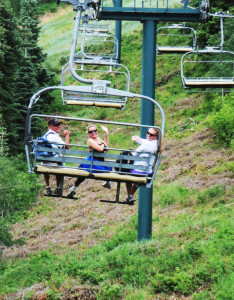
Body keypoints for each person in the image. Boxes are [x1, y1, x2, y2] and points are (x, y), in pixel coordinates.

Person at [67, 124, 112, 198]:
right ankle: (74, 187)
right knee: (85, 173)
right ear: (88, 134)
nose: (93, 132)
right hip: (92, 161)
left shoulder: (99, 139)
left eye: (95, 130)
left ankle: (74, 187)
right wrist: (103, 144)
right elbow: (100, 149)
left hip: (99, 161)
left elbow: (107, 148)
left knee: (107, 171)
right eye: (91, 131)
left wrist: (106, 134)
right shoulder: (90, 140)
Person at [124, 127, 161, 204]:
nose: (148, 135)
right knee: (137, 178)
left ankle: (130, 195)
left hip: (138, 171)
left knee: (126, 174)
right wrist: (139, 139)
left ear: (155, 137)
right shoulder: (157, 145)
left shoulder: (145, 145)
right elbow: (146, 141)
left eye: (151, 134)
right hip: (148, 173)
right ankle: (130, 196)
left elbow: (134, 154)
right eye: (147, 133)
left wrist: (139, 140)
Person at [43, 117, 70, 196]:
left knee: (53, 160)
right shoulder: (54, 136)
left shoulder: (46, 135)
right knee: (60, 164)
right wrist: (67, 135)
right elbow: (66, 147)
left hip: (44, 163)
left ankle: (48, 186)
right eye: (56, 125)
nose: (59, 126)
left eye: (59, 124)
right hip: (54, 164)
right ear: (51, 126)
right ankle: (58, 187)